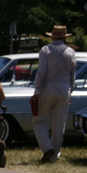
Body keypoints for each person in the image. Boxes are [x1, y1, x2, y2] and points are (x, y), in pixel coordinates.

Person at [31, 25, 76, 163]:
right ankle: (54, 155)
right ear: (64, 37)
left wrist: (37, 91)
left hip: (47, 89)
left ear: (52, 36)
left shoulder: (46, 50)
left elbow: (41, 72)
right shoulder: (70, 51)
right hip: (63, 91)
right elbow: (72, 74)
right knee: (59, 124)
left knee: (39, 120)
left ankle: (47, 148)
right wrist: (70, 91)